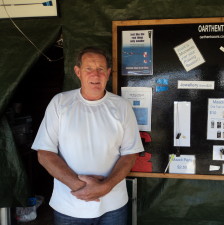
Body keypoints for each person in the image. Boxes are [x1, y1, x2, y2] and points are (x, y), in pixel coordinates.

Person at [31, 46, 144, 225]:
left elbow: (130, 154)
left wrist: (105, 187)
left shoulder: (122, 106)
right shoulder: (60, 103)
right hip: (70, 205)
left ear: (108, 73)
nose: (95, 75)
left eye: (101, 69)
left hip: (113, 205)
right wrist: (81, 187)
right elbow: (44, 153)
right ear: (78, 72)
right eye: (89, 68)